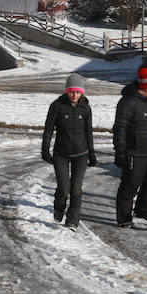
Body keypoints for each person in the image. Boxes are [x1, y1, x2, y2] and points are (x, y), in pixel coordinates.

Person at [41, 73, 97, 228]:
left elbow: (88, 132)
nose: (75, 95)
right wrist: (45, 150)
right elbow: (48, 130)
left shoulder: (85, 108)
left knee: (76, 190)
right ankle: (59, 208)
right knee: (64, 189)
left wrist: (91, 153)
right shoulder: (57, 105)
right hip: (61, 154)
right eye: (72, 92)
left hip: (81, 154)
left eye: (78, 92)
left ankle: (72, 221)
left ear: (82, 93)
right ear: (67, 91)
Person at [113, 66, 147, 228]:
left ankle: (143, 210)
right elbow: (119, 128)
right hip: (133, 153)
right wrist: (121, 153)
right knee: (130, 186)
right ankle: (124, 217)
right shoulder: (128, 102)